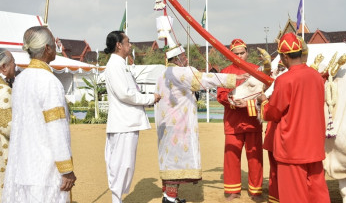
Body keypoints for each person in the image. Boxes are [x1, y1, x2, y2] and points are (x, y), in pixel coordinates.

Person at [155, 37, 249, 203]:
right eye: (184, 56)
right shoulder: (182, 72)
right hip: (179, 126)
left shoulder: (162, 73)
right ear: (177, 59)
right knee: (176, 165)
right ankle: (169, 198)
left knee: (169, 162)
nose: (186, 59)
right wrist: (236, 78)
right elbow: (206, 79)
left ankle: (169, 195)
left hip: (167, 125)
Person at [2, 26, 76, 202]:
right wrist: (66, 169)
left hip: (22, 167)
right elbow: (56, 128)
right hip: (45, 171)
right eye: (54, 44)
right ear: (47, 48)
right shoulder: (50, 82)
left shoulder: (20, 80)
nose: (56, 47)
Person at [257, 33, 330, 203]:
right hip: (314, 144)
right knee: (317, 191)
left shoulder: (284, 80)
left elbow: (273, 112)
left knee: (294, 195)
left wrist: (264, 102)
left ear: (284, 57)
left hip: (292, 146)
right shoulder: (317, 77)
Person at [104, 30, 161, 203]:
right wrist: (150, 98)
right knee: (122, 163)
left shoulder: (121, 64)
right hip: (123, 122)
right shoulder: (114, 66)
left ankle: (117, 198)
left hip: (127, 122)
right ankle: (116, 199)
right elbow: (125, 94)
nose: (130, 45)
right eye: (128, 42)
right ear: (119, 45)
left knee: (126, 163)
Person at [216, 39, 264, 201]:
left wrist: (249, 102)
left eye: (241, 53)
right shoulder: (225, 72)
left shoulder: (257, 70)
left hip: (252, 121)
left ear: (247, 52)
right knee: (231, 156)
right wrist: (230, 100)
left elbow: (263, 94)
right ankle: (232, 190)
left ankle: (256, 191)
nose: (239, 56)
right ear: (231, 55)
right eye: (235, 54)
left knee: (255, 157)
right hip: (233, 121)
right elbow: (221, 95)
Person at [0, 49, 15, 196]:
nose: (15, 66)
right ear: (3, 67)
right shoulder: (4, 90)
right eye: (13, 63)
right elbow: (7, 126)